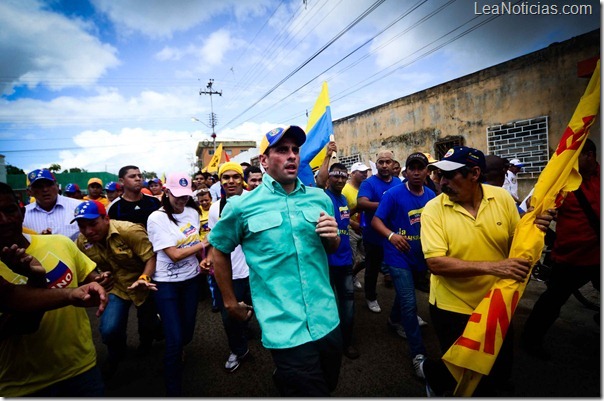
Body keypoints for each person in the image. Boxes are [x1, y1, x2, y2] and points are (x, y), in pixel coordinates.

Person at [209, 126, 343, 396]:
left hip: (327, 317)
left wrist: (333, 237)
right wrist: (229, 301)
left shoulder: (319, 198)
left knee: (329, 383)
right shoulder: (241, 206)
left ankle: (285, 380)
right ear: (264, 160)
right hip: (284, 326)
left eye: (295, 150)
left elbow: (331, 246)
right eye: (282, 150)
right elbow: (218, 250)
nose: (292, 156)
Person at [418, 146, 554, 396]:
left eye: (450, 175)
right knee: (459, 369)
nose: (442, 181)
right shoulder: (433, 210)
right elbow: (436, 263)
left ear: (475, 173)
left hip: (496, 303)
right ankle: (432, 375)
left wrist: (536, 227)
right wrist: (496, 267)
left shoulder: (501, 198)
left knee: (499, 369)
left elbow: (517, 239)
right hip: (452, 307)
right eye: (440, 175)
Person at [0, 182, 109, 397]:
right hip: (22, 385)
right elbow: (22, 325)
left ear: (21, 212)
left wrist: (100, 284)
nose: (3, 221)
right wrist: (42, 283)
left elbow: (89, 280)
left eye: (9, 210)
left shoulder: (60, 243)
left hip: (82, 368)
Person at [522, 138, 600, 360]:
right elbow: (534, 205)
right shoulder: (562, 183)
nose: (569, 164)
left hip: (598, 256)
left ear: (590, 156)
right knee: (551, 303)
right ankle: (530, 340)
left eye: (574, 158)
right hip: (570, 259)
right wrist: (540, 212)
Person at [72, 199, 158, 377]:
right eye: (82, 226)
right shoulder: (81, 242)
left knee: (150, 326)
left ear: (106, 219)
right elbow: (83, 268)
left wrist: (144, 278)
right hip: (115, 287)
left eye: (93, 224)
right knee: (109, 330)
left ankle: (150, 339)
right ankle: (116, 355)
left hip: (143, 283)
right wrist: (97, 277)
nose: (88, 231)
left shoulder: (130, 231)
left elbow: (151, 258)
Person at [371, 152, 435, 377]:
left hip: (419, 257)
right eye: (412, 168)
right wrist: (391, 236)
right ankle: (419, 355)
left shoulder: (430, 195)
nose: (416, 172)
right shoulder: (393, 194)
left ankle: (393, 320)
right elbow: (376, 220)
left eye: (421, 168)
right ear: (406, 171)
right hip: (397, 256)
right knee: (410, 302)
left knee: (404, 294)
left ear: (427, 171)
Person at [147, 172, 206, 396]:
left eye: (185, 195)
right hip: (166, 283)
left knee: (187, 333)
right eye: (177, 195)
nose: (181, 200)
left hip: (191, 280)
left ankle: (169, 329)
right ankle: (173, 389)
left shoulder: (192, 212)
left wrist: (205, 258)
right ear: (166, 192)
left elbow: (194, 242)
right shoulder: (156, 218)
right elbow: (174, 254)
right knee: (174, 339)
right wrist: (203, 243)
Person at [205, 162, 253, 372]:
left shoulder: (254, 201)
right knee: (229, 315)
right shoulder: (216, 208)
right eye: (226, 177)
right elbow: (215, 241)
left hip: (257, 270)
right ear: (220, 181)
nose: (231, 181)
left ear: (242, 179)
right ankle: (238, 349)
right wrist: (208, 257)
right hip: (230, 272)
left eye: (235, 176)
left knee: (264, 310)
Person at [357, 150, 402, 313]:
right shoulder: (368, 183)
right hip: (373, 236)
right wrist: (387, 204)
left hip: (394, 236)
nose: (384, 165)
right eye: (380, 162)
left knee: (399, 269)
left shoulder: (398, 182)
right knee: (372, 269)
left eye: (387, 162)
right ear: (376, 165)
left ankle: (404, 304)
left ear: (393, 164)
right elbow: (362, 203)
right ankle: (370, 297)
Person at [324, 162, 359, 359]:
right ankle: (329, 342)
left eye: (342, 176)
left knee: (348, 302)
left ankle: (347, 341)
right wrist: (328, 155)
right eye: (335, 176)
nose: (339, 179)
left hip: (345, 260)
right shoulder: (322, 197)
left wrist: (354, 224)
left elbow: (344, 222)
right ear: (329, 177)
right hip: (326, 262)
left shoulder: (344, 198)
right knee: (327, 303)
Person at [23, 168, 83, 240]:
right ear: (29, 192)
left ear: (57, 187)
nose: (45, 190)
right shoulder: (23, 215)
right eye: (39, 186)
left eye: (49, 184)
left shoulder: (77, 206)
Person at [344, 162, 370, 290]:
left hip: (364, 229)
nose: (365, 174)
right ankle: (348, 283)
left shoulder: (365, 188)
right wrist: (352, 223)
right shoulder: (345, 190)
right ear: (353, 173)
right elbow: (341, 213)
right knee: (351, 259)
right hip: (351, 230)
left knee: (367, 258)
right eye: (361, 172)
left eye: (366, 172)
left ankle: (353, 275)